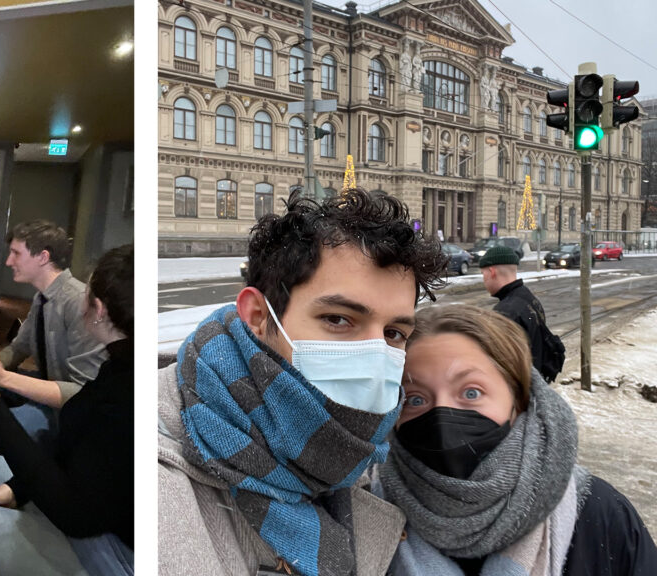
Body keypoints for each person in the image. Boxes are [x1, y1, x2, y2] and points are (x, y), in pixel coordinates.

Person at [158, 188, 448, 576]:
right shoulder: (157, 475)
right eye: (338, 319)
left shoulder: (362, 453)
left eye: (394, 333)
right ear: (258, 315)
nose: (376, 354)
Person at [376, 304, 657, 575]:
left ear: (519, 402)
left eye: (471, 393)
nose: (441, 418)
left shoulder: (601, 515)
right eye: (415, 398)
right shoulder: (368, 513)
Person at [0, 244, 134, 576]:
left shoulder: (125, 391)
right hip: (74, 496)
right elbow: (79, 453)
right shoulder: (118, 364)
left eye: (16, 252)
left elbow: (76, 514)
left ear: (100, 309)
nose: (7, 261)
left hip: (105, 549)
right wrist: (18, 487)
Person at [0, 220, 105, 445]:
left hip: (66, 419)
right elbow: (18, 348)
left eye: (16, 253)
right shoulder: (41, 298)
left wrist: (2, 377)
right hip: (45, 392)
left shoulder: (79, 304)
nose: (8, 261)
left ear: (43, 257)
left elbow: (84, 393)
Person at [479, 245, 563, 381]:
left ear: (492, 272)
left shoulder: (505, 312)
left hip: (520, 388)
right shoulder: (528, 297)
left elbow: (501, 365)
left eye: (483, 274)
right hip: (534, 380)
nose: (484, 280)